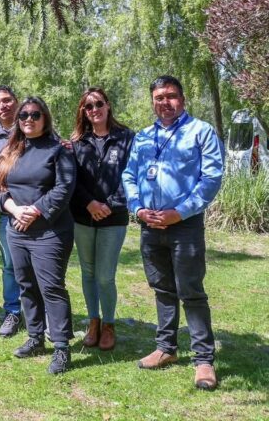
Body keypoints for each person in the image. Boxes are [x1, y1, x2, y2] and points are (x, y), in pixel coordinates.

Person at [122, 75, 224, 390]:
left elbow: (211, 178)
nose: (164, 102)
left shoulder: (200, 132)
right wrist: (138, 209)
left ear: (182, 98)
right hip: (149, 225)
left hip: (184, 225)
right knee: (163, 289)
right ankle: (166, 348)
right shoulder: (143, 137)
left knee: (190, 291)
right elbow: (129, 174)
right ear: (152, 101)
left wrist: (178, 213)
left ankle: (203, 360)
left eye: (171, 96)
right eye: (158, 97)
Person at [0, 96, 76, 374]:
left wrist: (36, 211)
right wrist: (15, 209)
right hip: (16, 229)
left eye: (35, 114)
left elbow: (64, 188)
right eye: (24, 115)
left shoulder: (59, 150)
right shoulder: (11, 150)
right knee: (26, 284)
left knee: (51, 288)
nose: (29, 119)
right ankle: (35, 338)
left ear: (45, 118)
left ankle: (62, 348)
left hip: (50, 232)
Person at [69, 87, 134, 351]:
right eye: (88, 106)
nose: (94, 110)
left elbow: (131, 176)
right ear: (83, 112)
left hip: (113, 218)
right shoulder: (77, 142)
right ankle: (93, 321)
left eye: (98, 104)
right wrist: (89, 203)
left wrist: (108, 205)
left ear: (108, 106)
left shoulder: (127, 138)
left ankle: (109, 324)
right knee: (88, 272)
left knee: (105, 276)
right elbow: (72, 180)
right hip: (83, 218)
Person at [0, 85, 24, 337]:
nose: (3, 106)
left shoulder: (33, 124)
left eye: (7, 100)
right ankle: (12, 311)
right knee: (10, 265)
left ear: (16, 101)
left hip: (37, 209)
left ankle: (39, 311)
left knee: (38, 267)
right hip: (8, 210)